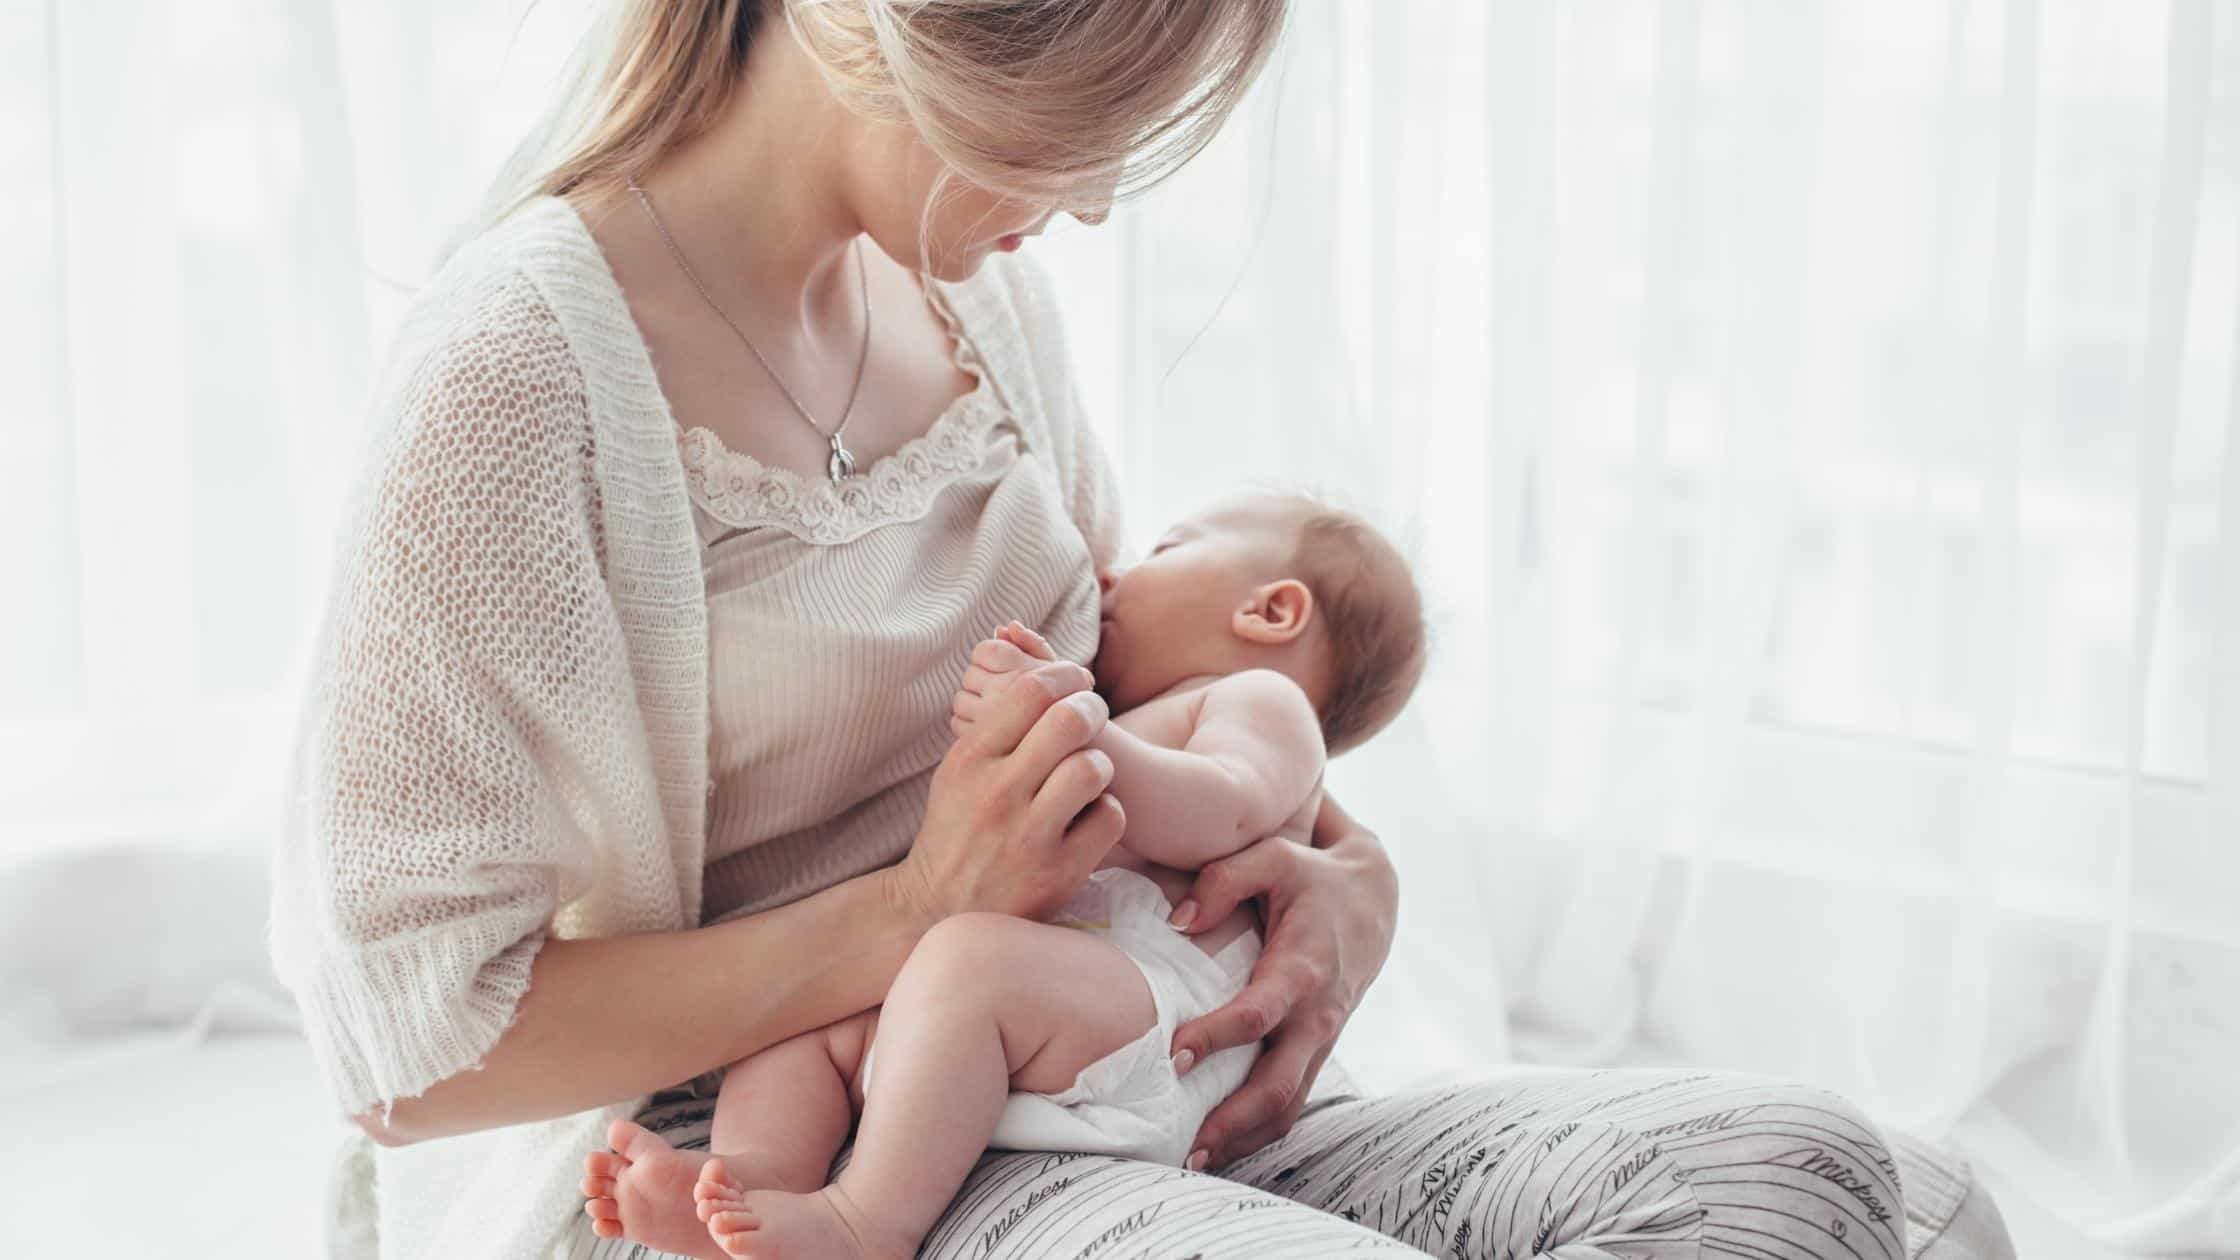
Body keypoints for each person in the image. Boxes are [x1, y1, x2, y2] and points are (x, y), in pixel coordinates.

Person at [269, 2, 2014, 1257]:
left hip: (1107, 1086)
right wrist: (916, 920)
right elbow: (410, 1055)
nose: (1096, 201)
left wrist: (1344, 877)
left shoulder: (983, 299)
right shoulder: (518, 384)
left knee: (1824, 1172)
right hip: (774, 1174)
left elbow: (1151, 702)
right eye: (1088, 122)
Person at [578, 493, 1427, 1260]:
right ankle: (751, 1179)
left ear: (1271, 609)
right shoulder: (1159, 713)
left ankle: (863, 1225)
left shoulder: (1262, 704)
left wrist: (1078, 732)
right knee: (807, 1020)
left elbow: (1225, 811)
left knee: (968, 961)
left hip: (1164, 1018)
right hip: (1049, 1022)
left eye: (1163, 549)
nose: (1109, 574)